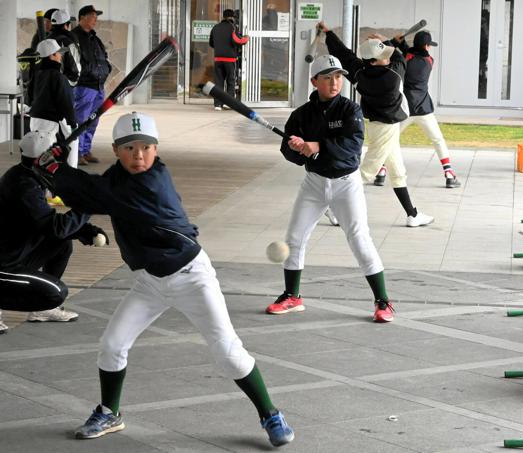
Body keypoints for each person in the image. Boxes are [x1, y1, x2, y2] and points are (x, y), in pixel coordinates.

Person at [34, 112, 294, 446]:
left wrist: (52, 167)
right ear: (116, 150)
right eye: (129, 148)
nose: (138, 154)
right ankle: (109, 412)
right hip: (149, 283)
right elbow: (91, 191)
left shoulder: (151, 182)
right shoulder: (117, 179)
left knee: (228, 351)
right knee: (112, 346)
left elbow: (92, 193)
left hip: (192, 278)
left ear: (156, 151)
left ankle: (270, 414)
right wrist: (55, 168)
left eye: (146, 147)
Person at [265, 55, 395, 323]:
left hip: (347, 184)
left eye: (338, 76)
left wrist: (318, 145)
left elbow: (352, 148)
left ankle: (383, 302)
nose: (335, 82)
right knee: (294, 239)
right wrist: (296, 149)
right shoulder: (300, 115)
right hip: (314, 183)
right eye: (327, 77)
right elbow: (290, 155)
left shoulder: (350, 110)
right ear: (315, 81)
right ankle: (292, 296)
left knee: (359, 238)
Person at [320, 21, 434, 227]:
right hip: (386, 128)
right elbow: (399, 56)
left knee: (398, 172)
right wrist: (387, 40)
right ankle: (333, 207)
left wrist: (329, 34)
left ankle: (412, 214)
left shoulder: (359, 74)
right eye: (384, 54)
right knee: (365, 172)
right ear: (375, 60)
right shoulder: (394, 75)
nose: (388, 56)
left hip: (376, 126)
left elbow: (345, 55)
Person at [0, 131, 107, 322]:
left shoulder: (27, 174)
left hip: (15, 252)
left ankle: (42, 311)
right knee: (55, 293)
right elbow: (55, 227)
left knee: (62, 243)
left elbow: (46, 222)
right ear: (41, 160)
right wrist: (89, 204)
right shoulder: (24, 186)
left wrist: (85, 230)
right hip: (4, 265)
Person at [377, 30, 460, 189]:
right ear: (426, 46)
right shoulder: (429, 60)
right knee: (438, 140)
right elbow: (413, 53)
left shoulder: (404, 58)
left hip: (405, 109)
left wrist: (396, 41)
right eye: (429, 45)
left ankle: (381, 171)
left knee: (391, 139)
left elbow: (395, 51)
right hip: (423, 109)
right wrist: (402, 44)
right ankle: (449, 174)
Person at [72, 5, 111, 165]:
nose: (95, 19)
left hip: (98, 86)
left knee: (93, 120)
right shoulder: (74, 37)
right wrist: (86, 73)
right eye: (92, 16)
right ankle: (78, 152)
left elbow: (104, 57)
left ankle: (86, 150)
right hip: (84, 86)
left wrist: (106, 69)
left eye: (96, 16)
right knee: (81, 120)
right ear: (82, 17)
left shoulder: (95, 38)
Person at [30, 39, 79, 169]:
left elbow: (29, 96)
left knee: (36, 152)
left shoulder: (37, 74)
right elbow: (66, 101)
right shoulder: (58, 77)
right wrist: (73, 123)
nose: (61, 56)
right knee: (50, 154)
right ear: (51, 56)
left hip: (34, 119)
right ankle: (71, 174)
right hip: (49, 122)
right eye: (58, 53)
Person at [209, 9, 249, 111]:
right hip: (229, 59)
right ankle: (228, 103)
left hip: (218, 59)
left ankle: (217, 105)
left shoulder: (215, 27)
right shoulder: (232, 27)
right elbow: (238, 41)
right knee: (231, 81)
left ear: (223, 17)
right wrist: (246, 38)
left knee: (219, 82)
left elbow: (211, 43)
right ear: (232, 17)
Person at [48, 9, 81, 87]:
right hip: (63, 86)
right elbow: (75, 68)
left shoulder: (46, 41)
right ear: (67, 25)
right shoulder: (68, 42)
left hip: (47, 85)